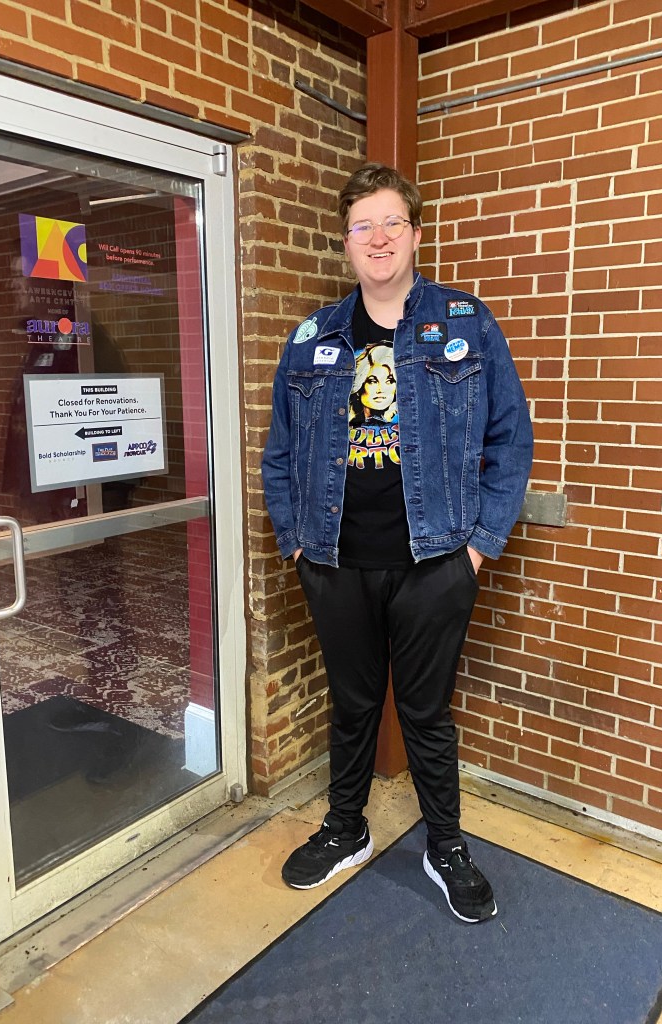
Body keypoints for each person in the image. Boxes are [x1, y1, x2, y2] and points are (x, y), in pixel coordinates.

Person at [261, 163, 533, 923]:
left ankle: (445, 846)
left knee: (426, 714)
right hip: (335, 562)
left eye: (392, 222)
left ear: (415, 234)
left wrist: (475, 550)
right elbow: (279, 454)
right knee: (351, 707)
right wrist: (296, 545)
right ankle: (345, 828)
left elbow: (511, 440)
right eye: (362, 225)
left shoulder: (466, 324)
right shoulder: (312, 338)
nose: (377, 238)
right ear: (345, 241)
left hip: (435, 562)